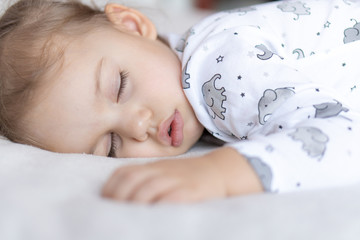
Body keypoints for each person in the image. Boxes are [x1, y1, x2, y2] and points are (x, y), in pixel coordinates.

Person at [1, 0, 360, 204]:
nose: (137, 126)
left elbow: (343, 137)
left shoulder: (218, 65)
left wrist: (219, 173)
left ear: (132, 24)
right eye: (110, 146)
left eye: (120, 86)